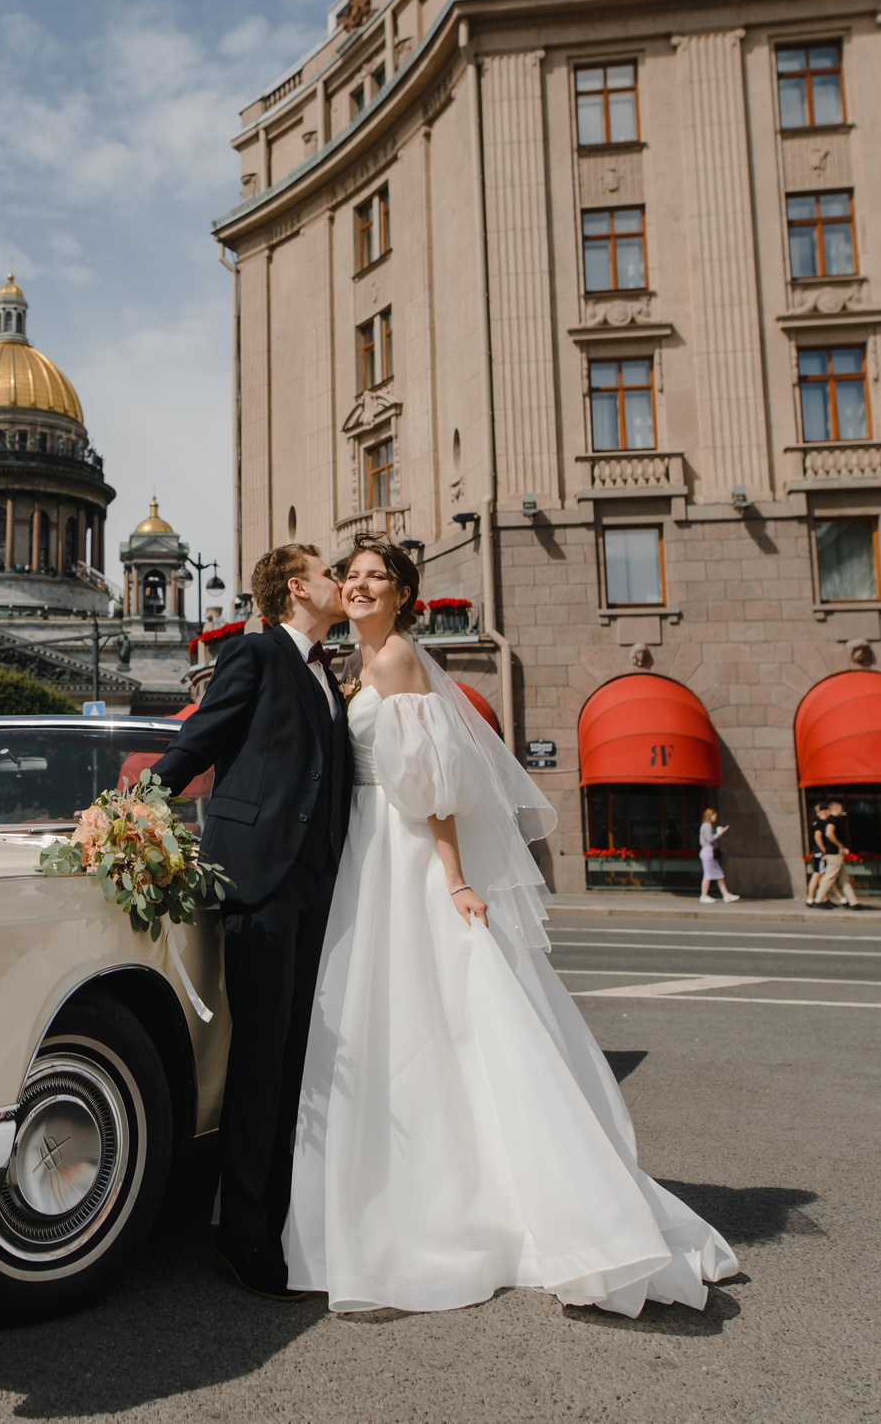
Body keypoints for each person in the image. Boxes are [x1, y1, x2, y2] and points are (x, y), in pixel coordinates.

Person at [283, 537, 738, 1316]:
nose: (358, 586)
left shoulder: (394, 660)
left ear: (402, 594)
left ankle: (443, 1204)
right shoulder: (364, 661)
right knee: (401, 1015)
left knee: (421, 1012)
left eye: (375, 577)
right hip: (367, 847)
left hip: (401, 851)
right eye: (350, 575)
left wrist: (454, 876)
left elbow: (435, 783)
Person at [150, 542, 353, 1303]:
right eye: (330, 573)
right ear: (297, 587)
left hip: (317, 883)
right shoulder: (257, 654)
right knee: (261, 1057)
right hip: (260, 880)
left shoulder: (328, 670)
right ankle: (241, 1232)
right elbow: (200, 739)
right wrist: (133, 807)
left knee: (298, 1056)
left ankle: (277, 1215)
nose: (341, 581)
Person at [811, 801, 862, 909]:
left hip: (834, 853)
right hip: (834, 853)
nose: (843, 811)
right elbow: (828, 833)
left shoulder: (830, 820)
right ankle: (818, 900)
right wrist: (840, 846)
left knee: (844, 879)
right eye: (841, 808)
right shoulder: (832, 819)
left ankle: (853, 902)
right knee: (829, 878)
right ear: (837, 808)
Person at [697, 807, 737, 903]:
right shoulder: (707, 825)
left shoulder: (706, 825)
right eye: (714, 815)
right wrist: (719, 834)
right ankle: (704, 895)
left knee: (719, 874)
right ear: (710, 815)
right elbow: (710, 839)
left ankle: (726, 895)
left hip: (708, 851)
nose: (715, 817)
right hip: (708, 851)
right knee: (708, 874)